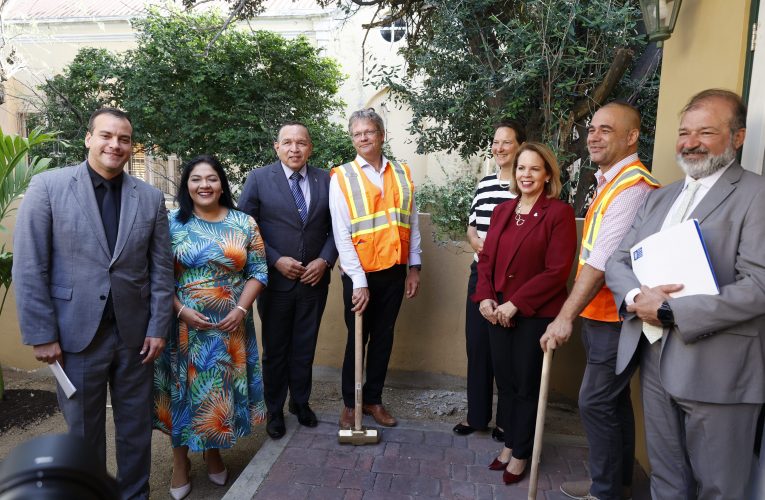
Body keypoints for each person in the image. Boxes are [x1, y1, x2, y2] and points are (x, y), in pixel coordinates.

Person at [606, 89, 765, 500]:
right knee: (666, 481)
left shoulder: (757, 195)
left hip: (720, 370)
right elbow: (618, 261)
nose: (690, 142)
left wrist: (671, 311)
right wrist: (634, 300)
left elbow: (759, 286)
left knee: (720, 489)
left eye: (706, 132)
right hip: (655, 360)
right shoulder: (660, 196)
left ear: (738, 136)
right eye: (684, 132)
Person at [12, 107, 174, 500]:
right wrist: (41, 334)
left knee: (136, 429)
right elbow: (30, 264)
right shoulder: (48, 187)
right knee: (83, 433)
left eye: (123, 139)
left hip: (136, 339)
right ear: (89, 138)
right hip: (73, 337)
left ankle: (135, 494)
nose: (115, 145)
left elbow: (161, 270)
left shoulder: (149, 198)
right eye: (106, 136)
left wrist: (157, 327)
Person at [539, 101, 659, 500]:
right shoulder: (611, 181)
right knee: (612, 401)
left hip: (614, 317)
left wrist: (564, 317)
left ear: (631, 137)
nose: (593, 135)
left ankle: (605, 492)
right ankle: (615, 485)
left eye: (606, 129)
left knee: (594, 402)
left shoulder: (632, 187)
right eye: (592, 128)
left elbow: (601, 262)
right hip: (602, 313)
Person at [153, 155, 268, 500]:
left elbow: (259, 271)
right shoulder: (170, 223)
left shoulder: (244, 222)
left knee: (217, 391)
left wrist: (241, 307)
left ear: (222, 184)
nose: (204, 185)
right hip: (182, 324)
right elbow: (156, 276)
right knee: (182, 392)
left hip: (230, 324)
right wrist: (180, 310)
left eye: (212, 178)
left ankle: (213, 449)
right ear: (186, 185)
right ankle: (179, 462)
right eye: (196, 179)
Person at [473, 141, 576, 485]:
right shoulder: (503, 210)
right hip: (495, 313)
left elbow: (557, 271)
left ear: (547, 174)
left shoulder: (558, 213)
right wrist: (485, 298)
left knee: (527, 386)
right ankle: (510, 443)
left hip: (532, 314)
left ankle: (520, 453)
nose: (526, 174)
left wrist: (515, 303)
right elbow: (486, 259)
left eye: (534, 168)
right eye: (521, 168)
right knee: (506, 383)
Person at [238, 122, 337, 439]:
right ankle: (275, 410)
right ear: (276, 146)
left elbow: (338, 228)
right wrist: (275, 259)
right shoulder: (258, 179)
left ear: (310, 147)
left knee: (305, 347)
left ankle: (301, 402)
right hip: (276, 282)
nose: (295, 149)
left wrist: (324, 260)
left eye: (301, 143)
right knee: (276, 349)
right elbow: (245, 228)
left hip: (314, 281)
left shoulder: (327, 180)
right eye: (288, 143)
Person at [329, 108, 422, 429]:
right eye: (357, 134)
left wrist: (414, 268)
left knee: (383, 338)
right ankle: (350, 404)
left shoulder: (402, 173)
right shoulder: (342, 176)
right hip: (360, 276)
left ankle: (373, 400)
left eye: (369, 132)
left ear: (381, 135)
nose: (363, 138)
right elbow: (341, 234)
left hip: (394, 272)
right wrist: (358, 281)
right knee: (357, 338)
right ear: (352, 139)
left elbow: (411, 224)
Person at [453, 120, 526, 441]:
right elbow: (472, 226)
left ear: (520, 146)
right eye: (495, 142)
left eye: (506, 142)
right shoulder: (484, 184)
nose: (499, 148)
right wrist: (474, 241)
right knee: (478, 347)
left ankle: (506, 422)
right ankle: (476, 416)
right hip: (479, 276)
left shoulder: (525, 185)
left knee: (507, 354)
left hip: (511, 281)